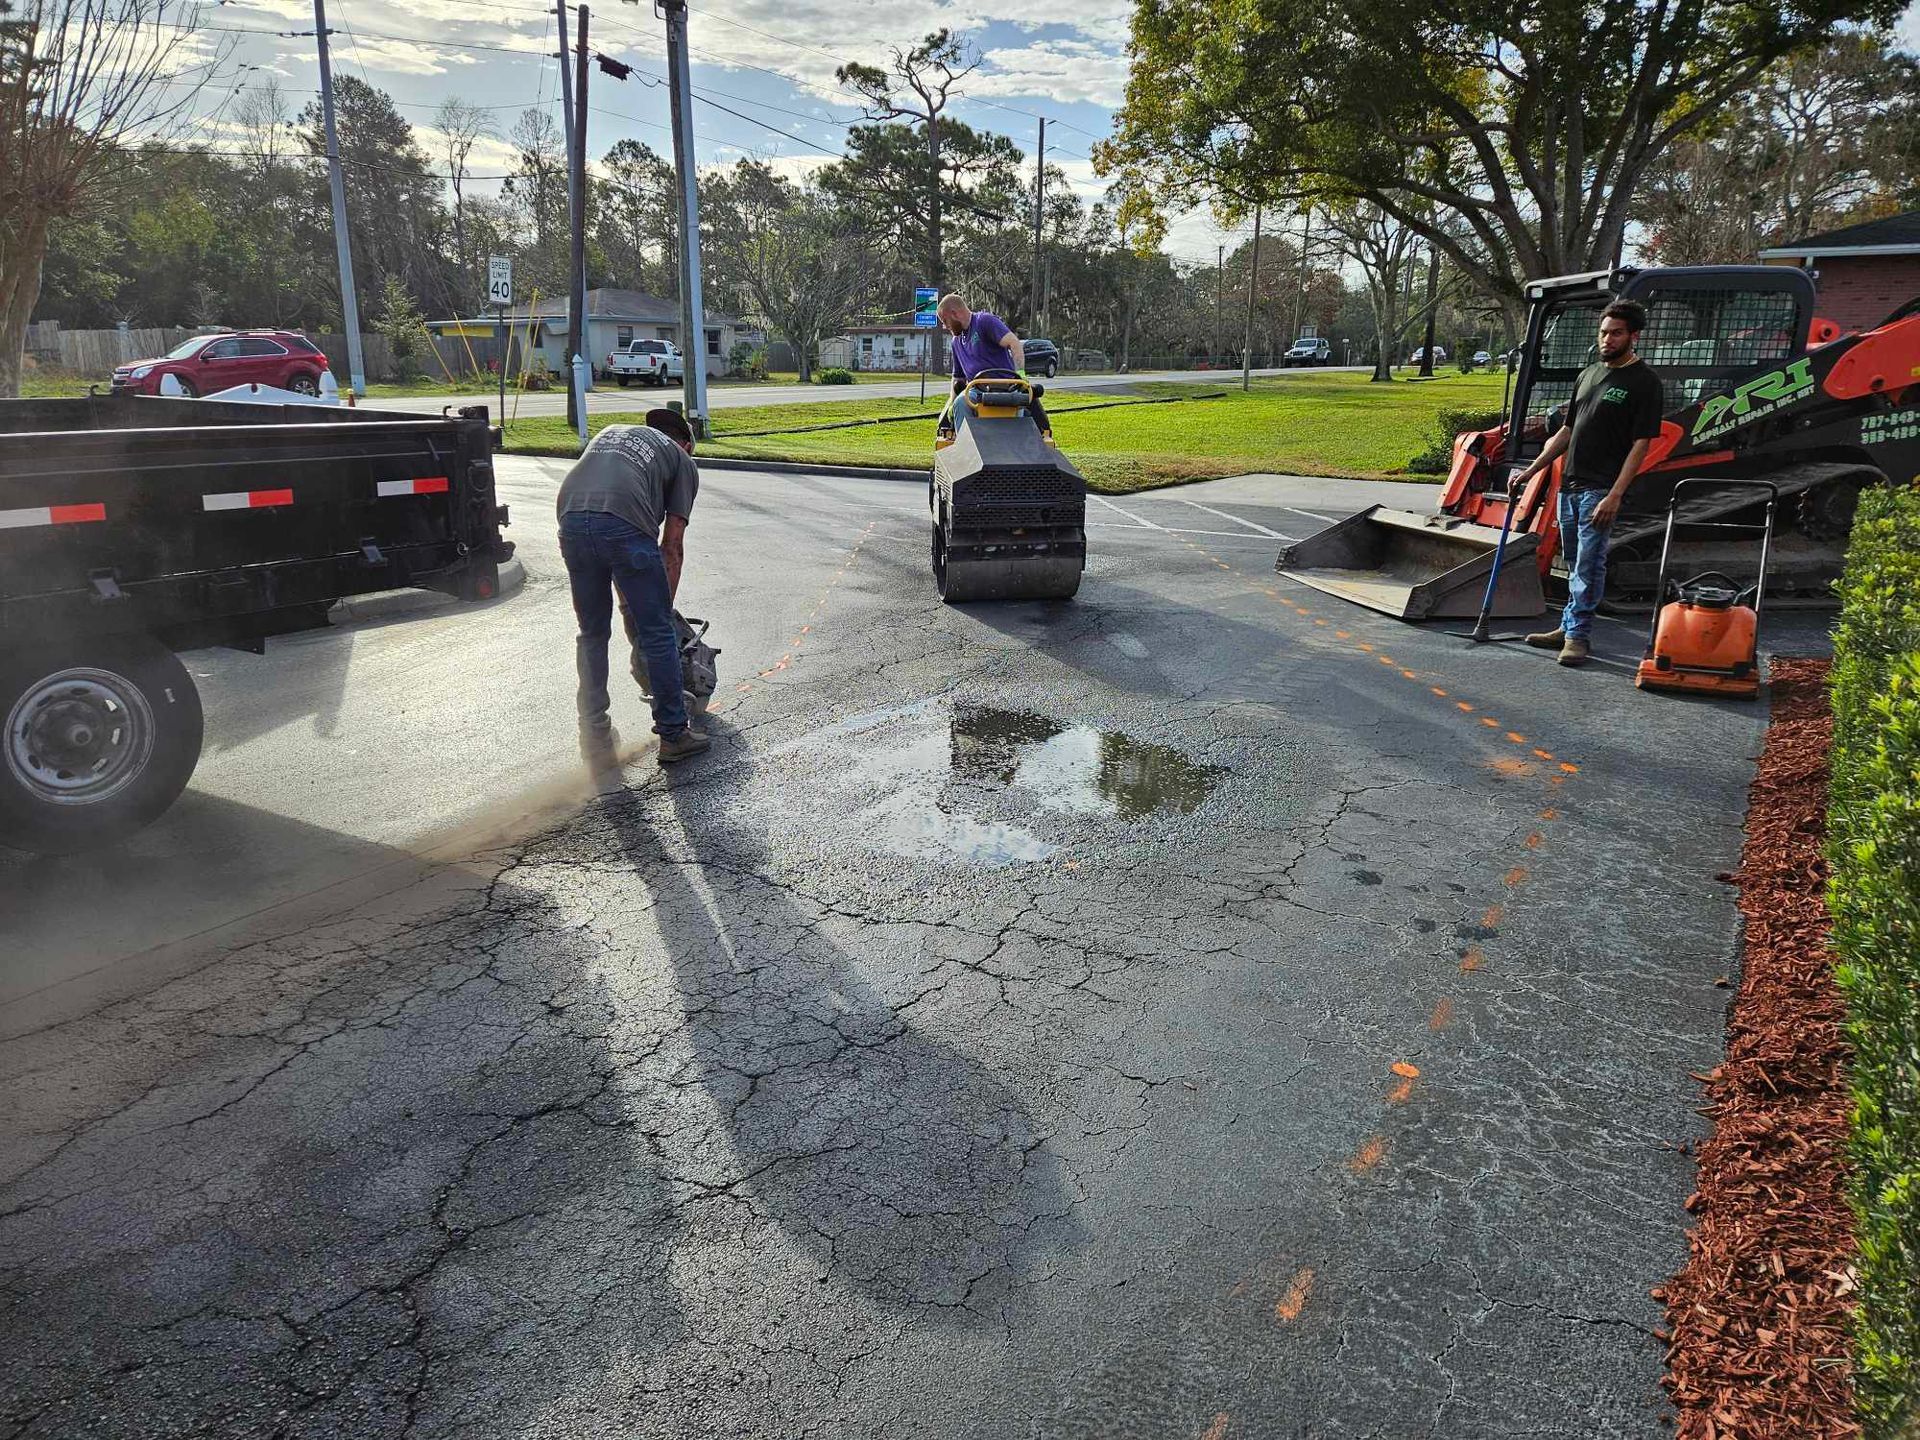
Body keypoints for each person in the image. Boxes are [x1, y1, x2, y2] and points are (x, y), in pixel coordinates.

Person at [1512, 299, 1665, 667]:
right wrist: (1533, 470)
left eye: (1615, 333)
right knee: (1574, 560)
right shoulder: (1589, 375)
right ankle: (1566, 627)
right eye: (1603, 332)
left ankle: (1578, 636)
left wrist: (1615, 494)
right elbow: (1568, 430)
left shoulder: (1644, 383)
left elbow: (1640, 445)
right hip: (1571, 485)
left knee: (1589, 564)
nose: (1607, 339)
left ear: (1633, 336)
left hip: (1601, 489)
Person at [555, 407, 710, 762]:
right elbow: (671, 547)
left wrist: (631, 609)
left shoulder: (615, 433)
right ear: (686, 445)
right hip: (623, 522)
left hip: (571, 520)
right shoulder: (683, 461)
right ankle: (674, 733)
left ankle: (594, 735)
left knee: (591, 633)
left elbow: (606, 533)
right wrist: (660, 614)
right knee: (656, 632)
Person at [937, 293, 1051, 435]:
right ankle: (968, 447)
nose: (944, 326)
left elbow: (1014, 343)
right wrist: (951, 405)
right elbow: (958, 378)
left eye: (944, 320)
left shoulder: (984, 321)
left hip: (1006, 387)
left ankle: (1021, 447)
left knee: (1021, 402)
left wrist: (1021, 377)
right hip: (976, 391)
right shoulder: (956, 342)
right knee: (960, 403)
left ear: (954, 313)